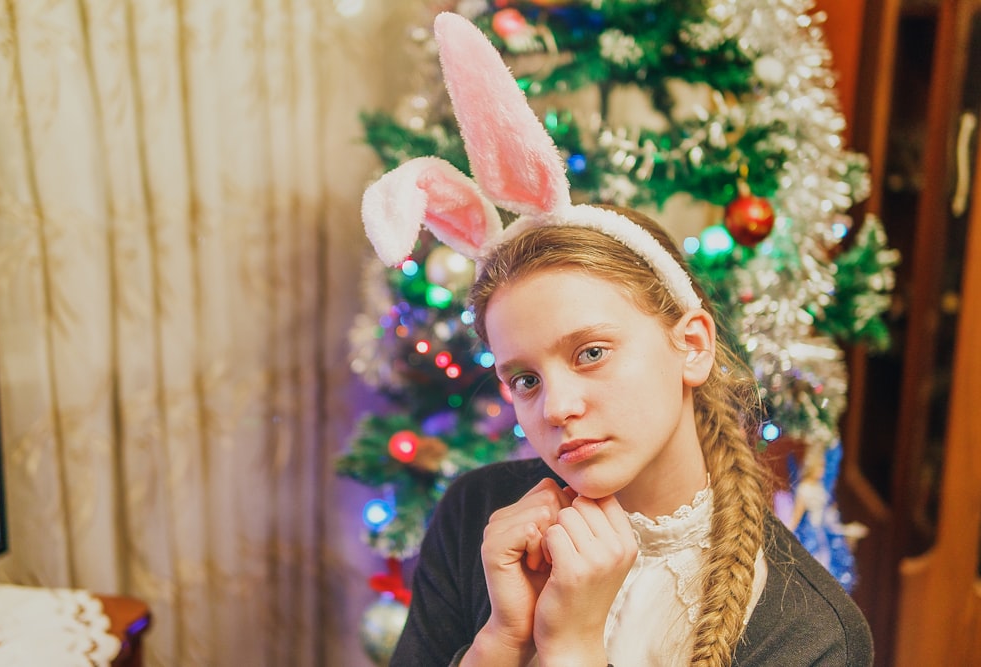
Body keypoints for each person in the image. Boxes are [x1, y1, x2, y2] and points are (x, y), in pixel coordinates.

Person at [361, 12, 873, 667]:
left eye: (591, 353)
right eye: (525, 378)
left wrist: (573, 644)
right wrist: (502, 639)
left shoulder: (811, 631)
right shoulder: (477, 519)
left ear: (691, 344)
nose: (558, 407)